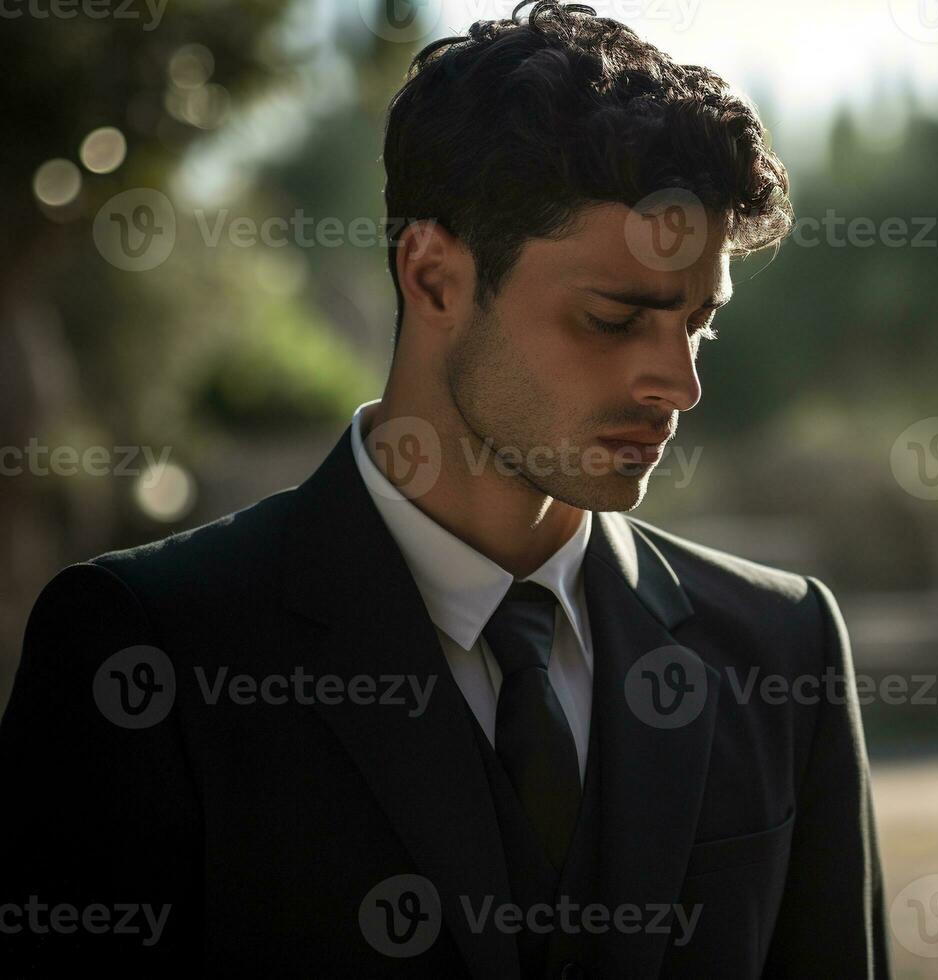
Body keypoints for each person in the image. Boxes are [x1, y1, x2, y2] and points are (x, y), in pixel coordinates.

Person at [0, 2, 889, 976]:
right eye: (614, 316)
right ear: (433, 276)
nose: (678, 383)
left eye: (697, 322)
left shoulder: (781, 643)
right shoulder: (149, 642)